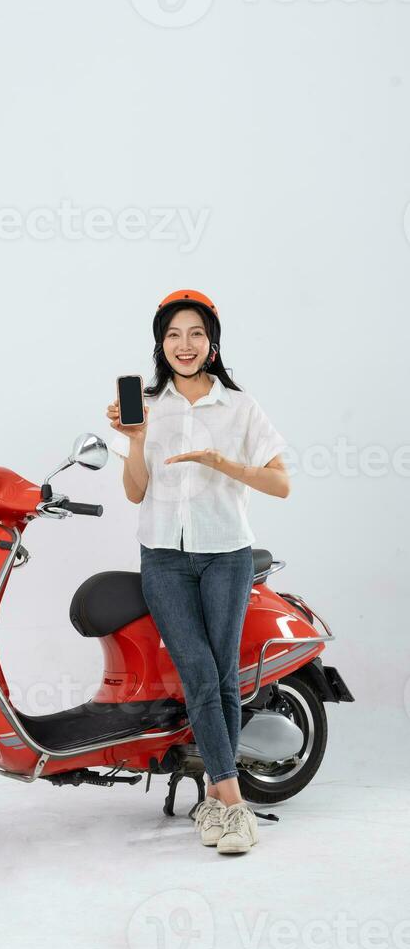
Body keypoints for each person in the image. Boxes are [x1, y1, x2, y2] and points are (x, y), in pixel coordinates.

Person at [106, 289, 290, 855]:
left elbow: (280, 483)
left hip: (227, 553)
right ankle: (233, 805)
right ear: (161, 344)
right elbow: (136, 491)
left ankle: (219, 799)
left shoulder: (239, 407)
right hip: (163, 556)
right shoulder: (152, 406)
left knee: (221, 675)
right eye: (173, 335)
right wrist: (137, 443)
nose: (184, 345)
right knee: (199, 671)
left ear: (212, 344)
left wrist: (221, 464)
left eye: (196, 334)